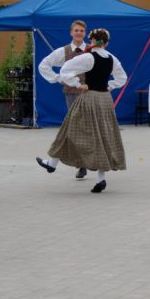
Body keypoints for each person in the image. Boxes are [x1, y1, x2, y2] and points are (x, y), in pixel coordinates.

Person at [36, 28, 128, 193]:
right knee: (103, 135)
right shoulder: (111, 58)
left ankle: (52, 163)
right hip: (105, 100)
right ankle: (100, 178)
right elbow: (122, 78)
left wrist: (78, 84)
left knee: (69, 129)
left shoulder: (88, 57)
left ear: (92, 41)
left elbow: (65, 71)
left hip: (89, 98)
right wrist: (110, 86)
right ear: (106, 43)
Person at [38, 20, 89, 179]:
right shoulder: (63, 51)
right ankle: (81, 165)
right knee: (74, 128)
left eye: (81, 30)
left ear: (85, 33)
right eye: (76, 30)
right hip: (72, 94)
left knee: (82, 129)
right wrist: (58, 78)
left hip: (89, 94)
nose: (79, 33)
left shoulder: (91, 50)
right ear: (71, 32)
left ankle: (57, 163)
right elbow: (44, 65)